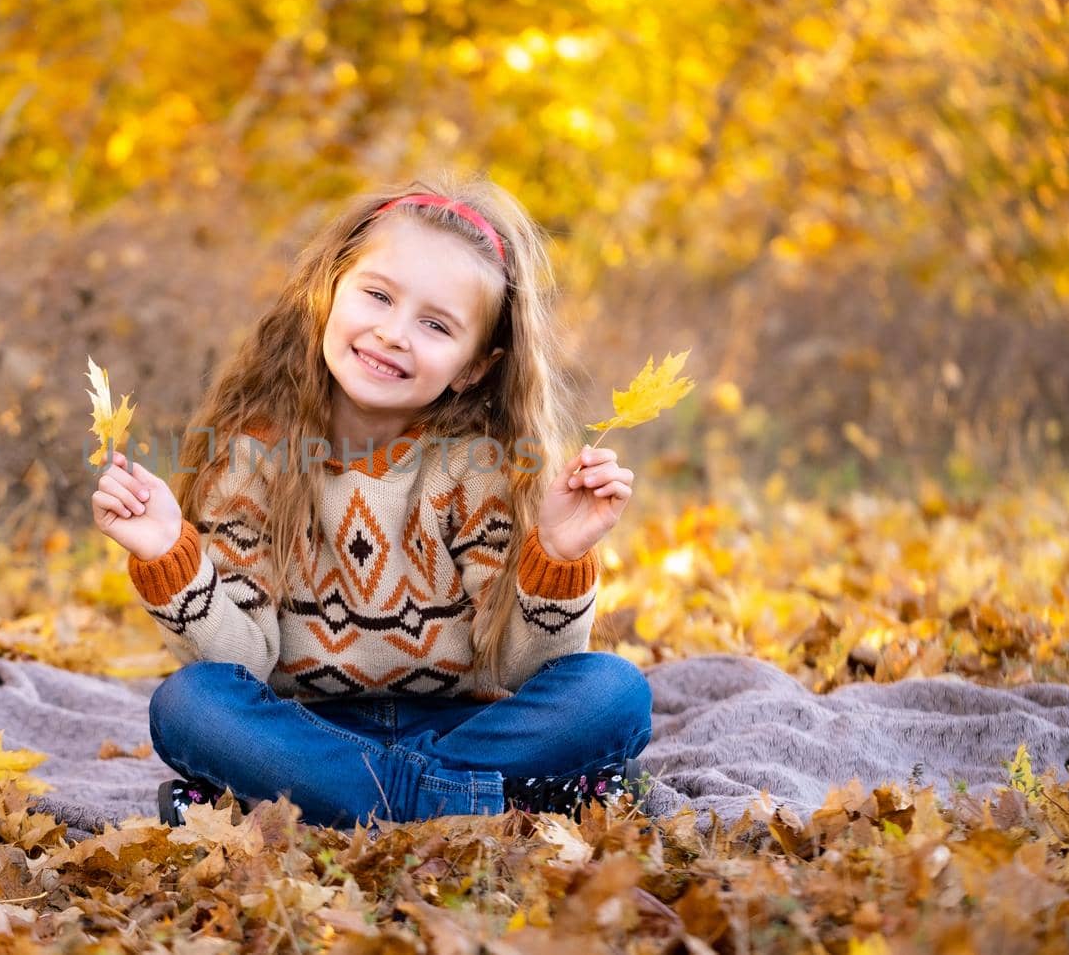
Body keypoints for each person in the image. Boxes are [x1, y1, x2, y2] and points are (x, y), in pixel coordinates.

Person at [91, 172, 652, 831]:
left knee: (614, 692)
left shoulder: (480, 470)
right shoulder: (253, 460)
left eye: (437, 325)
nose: (392, 333)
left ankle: (333, 802)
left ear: (474, 366)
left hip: (462, 724)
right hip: (306, 729)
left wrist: (555, 554)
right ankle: (473, 802)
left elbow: (524, 669)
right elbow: (242, 662)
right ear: (328, 293)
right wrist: (169, 557)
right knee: (188, 704)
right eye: (378, 295)